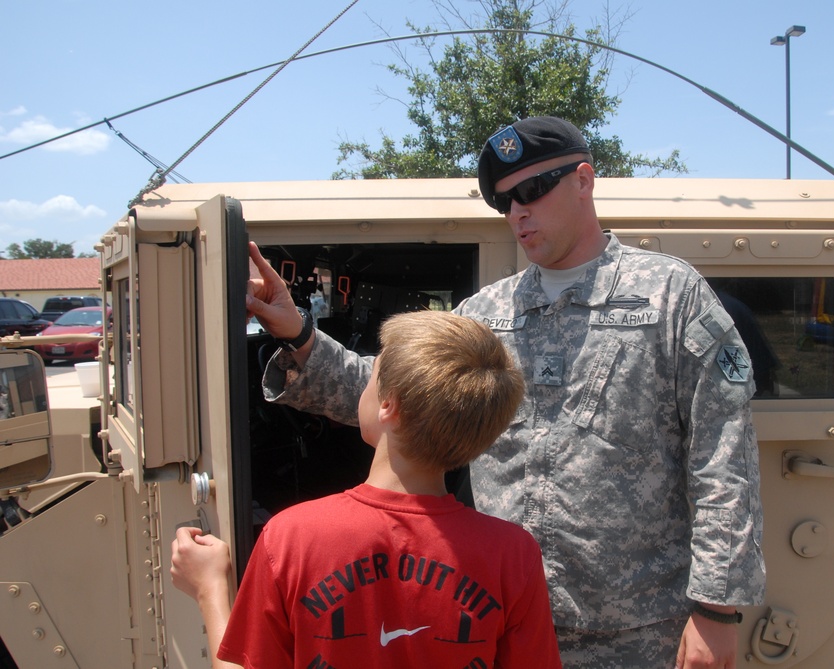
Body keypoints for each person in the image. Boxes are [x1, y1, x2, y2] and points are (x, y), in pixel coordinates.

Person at [248, 116, 766, 668]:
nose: (518, 212)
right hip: (495, 619)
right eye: (504, 202)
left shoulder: (670, 297)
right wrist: (297, 333)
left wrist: (716, 609)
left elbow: (723, 453)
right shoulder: (487, 312)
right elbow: (387, 394)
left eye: (532, 191)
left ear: (585, 180)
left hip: (635, 632)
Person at [171, 310, 563, 669]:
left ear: (388, 405)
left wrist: (209, 588)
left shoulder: (292, 538)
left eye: (372, 375)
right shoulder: (514, 554)